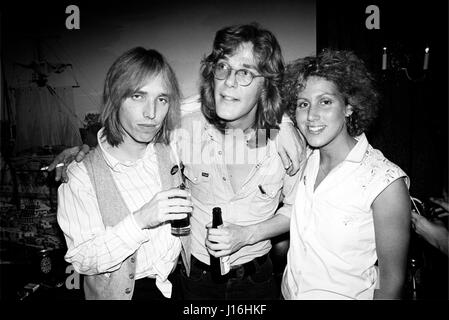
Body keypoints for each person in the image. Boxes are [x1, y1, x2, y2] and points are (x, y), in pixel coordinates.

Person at [48, 23, 305, 300]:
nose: (229, 81)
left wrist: (282, 125)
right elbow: (148, 117)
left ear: (266, 84)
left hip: (257, 280)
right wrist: (82, 151)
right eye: (223, 67)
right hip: (194, 280)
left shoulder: (288, 142)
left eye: (244, 72)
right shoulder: (185, 129)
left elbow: (297, 209)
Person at [57, 47, 193, 300]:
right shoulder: (80, 175)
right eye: (138, 96)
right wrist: (140, 220)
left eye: (162, 99)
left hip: (176, 285)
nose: (151, 113)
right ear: (115, 98)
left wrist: (281, 124)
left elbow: (213, 104)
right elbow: (82, 260)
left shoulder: (172, 148)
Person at [281, 49, 411, 300]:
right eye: (303, 104)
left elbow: (391, 281)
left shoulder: (384, 183)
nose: (311, 116)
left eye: (325, 101)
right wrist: (283, 124)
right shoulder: (304, 157)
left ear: (349, 106)